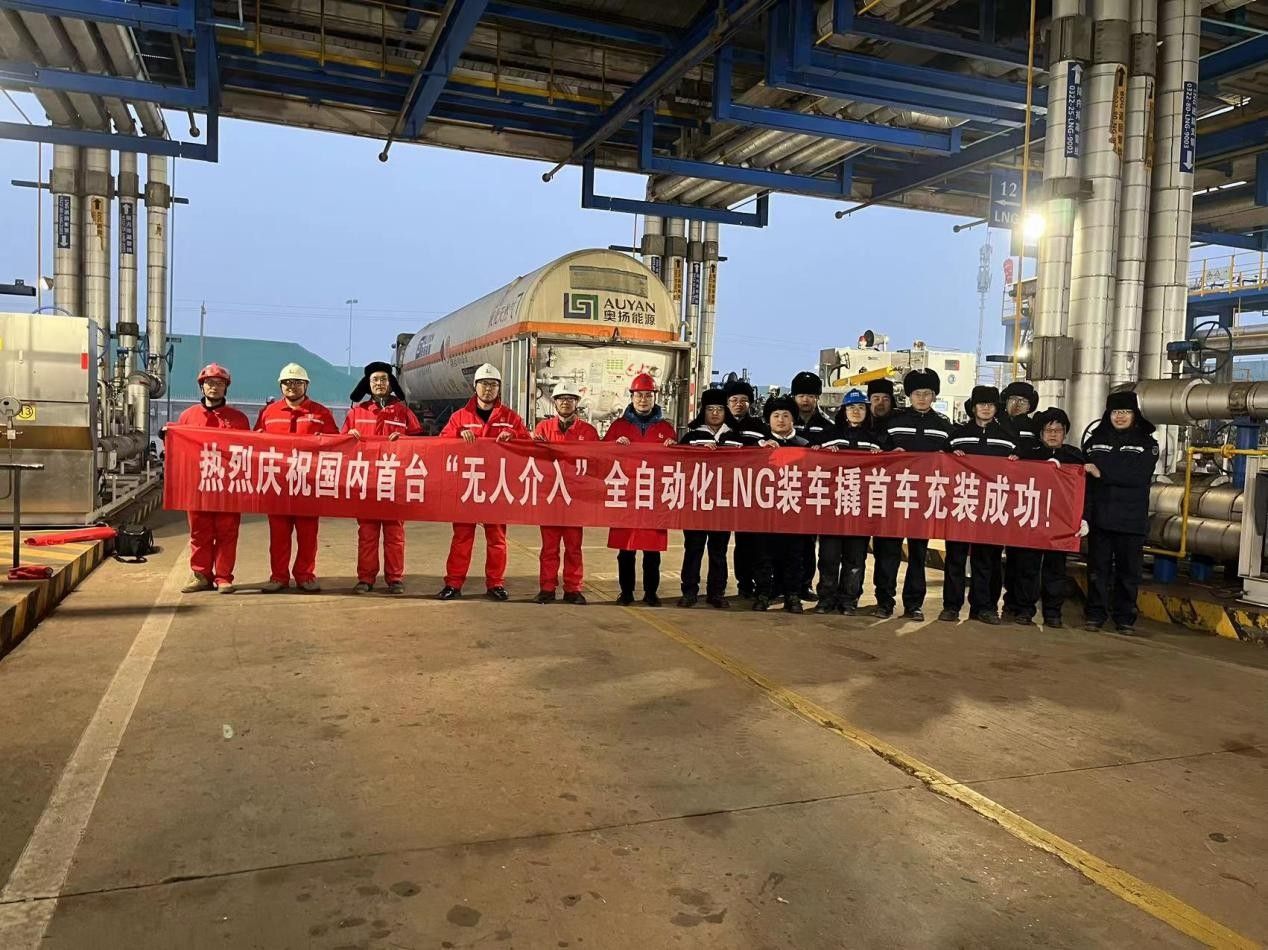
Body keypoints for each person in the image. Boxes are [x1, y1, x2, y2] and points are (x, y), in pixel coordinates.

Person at [437, 363, 529, 601]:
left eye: (493, 385)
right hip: (468, 486)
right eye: (484, 384)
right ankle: (453, 583)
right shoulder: (459, 418)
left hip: (496, 487)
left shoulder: (510, 418)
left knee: (496, 539)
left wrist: (514, 436)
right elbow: (441, 444)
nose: (488, 389)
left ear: (499, 388)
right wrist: (458, 435)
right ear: (475, 386)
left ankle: (495, 584)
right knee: (462, 538)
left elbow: (528, 444)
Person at [873, 368, 952, 620]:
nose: (922, 398)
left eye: (927, 393)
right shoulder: (893, 422)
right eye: (917, 393)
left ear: (934, 396)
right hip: (894, 498)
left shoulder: (944, 426)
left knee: (918, 554)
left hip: (924, 500)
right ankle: (884, 602)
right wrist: (889, 453)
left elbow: (953, 460)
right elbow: (877, 452)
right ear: (909, 395)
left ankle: (913, 604)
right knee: (888, 552)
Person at [255, 363, 339, 592]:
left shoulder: (321, 413)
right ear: (280, 386)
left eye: (297, 382)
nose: (291, 386)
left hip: (308, 485)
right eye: (286, 383)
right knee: (279, 535)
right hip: (278, 484)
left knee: (308, 535)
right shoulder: (268, 413)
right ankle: (278, 577)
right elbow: (254, 443)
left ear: (306, 385)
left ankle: (305, 575)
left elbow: (335, 444)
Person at [940, 386, 1020, 625]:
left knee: (987, 560)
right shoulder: (957, 436)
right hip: (961, 506)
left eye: (990, 404)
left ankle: (984, 607)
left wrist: (1016, 462)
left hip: (991, 508)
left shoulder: (1007, 439)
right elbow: (940, 465)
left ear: (996, 408)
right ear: (973, 408)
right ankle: (951, 606)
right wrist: (950, 456)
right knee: (955, 558)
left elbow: (1020, 472)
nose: (986, 408)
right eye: (981, 404)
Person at [343, 361, 422, 594]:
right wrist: (349, 436)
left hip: (394, 482)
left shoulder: (403, 413)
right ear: (368, 384)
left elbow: (421, 444)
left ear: (391, 383)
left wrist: (406, 440)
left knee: (394, 534)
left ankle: (395, 578)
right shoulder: (356, 413)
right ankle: (365, 579)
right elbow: (340, 445)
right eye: (375, 380)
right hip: (366, 483)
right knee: (367, 534)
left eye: (384, 379)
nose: (379, 383)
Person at [1083, 391, 1158, 635]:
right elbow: (1083, 477)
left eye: (1126, 412)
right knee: (1097, 571)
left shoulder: (1147, 444)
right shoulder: (1094, 441)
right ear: (1108, 414)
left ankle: (1125, 618)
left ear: (1135, 414)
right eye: (1116, 412)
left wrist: (1101, 473)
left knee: (1128, 573)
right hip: (1100, 518)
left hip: (1131, 520)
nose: (1120, 416)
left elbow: (1138, 476)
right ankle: (1095, 615)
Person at [173, 364, 251, 594]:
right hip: (197, 486)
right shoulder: (187, 417)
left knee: (227, 532)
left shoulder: (239, 419)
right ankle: (200, 575)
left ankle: (223, 577)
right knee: (199, 532)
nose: (214, 387)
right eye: (209, 383)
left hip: (228, 487)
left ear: (226, 387)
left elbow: (249, 451)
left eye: (219, 383)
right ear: (202, 386)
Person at [605, 374, 678, 605]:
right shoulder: (618, 427)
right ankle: (626, 592)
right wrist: (614, 446)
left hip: (653, 498)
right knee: (626, 550)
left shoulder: (666, 429)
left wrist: (673, 448)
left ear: (655, 397)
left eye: (648, 395)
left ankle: (651, 593)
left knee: (652, 551)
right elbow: (601, 456)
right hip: (626, 496)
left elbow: (676, 463)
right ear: (632, 397)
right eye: (639, 395)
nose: (643, 400)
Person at [815, 388, 889, 615]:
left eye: (860, 407)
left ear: (867, 411)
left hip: (860, 509)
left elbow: (889, 468)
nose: (856, 411)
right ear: (843, 411)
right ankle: (826, 599)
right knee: (828, 557)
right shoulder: (829, 435)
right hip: (833, 509)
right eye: (851, 407)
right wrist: (821, 452)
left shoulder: (876, 440)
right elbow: (811, 460)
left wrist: (882, 458)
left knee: (855, 559)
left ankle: (849, 600)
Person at [1018, 407, 1087, 628]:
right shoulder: (1028, 455)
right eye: (1049, 430)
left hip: (1061, 525)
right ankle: (1025, 610)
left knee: (1056, 569)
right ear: (1041, 433)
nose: (1053, 434)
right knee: (1028, 567)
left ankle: (1053, 613)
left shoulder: (1076, 457)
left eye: (1058, 430)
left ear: (1065, 433)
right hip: (1032, 520)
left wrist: (1083, 518)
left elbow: (1085, 491)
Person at [532, 381, 599, 604]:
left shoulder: (588, 432)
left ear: (576, 402)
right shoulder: (542, 429)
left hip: (575, 500)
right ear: (555, 402)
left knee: (573, 547)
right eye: (561, 399)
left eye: (570, 399)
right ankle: (547, 588)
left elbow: (598, 463)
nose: (565, 402)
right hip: (550, 497)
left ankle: (573, 589)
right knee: (549, 547)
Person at [753, 395, 810, 612]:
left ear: (793, 419)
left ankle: (792, 596)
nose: (781, 420)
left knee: (794, 556)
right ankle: (763, 594)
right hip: (765, 511)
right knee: (763, 555)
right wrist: (760, 448)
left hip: (795, 510)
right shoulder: (758, 445)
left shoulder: (805, 445)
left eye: (786, 415)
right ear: (768, 420)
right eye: (776, 415)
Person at [677, 388, 732, 608]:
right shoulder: (691, 437)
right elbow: (678, 464)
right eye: (710, 409)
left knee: (719, 552)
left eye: (720, 409)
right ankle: (689, 591)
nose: (715, 413)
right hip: (695, 503)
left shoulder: (734, 437)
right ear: (703, 411)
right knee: (693, 549)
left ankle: (717, 592)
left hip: (723, 504)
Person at [998, 380, 1041, 619]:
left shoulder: (1035, 428)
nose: (1017, 405)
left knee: (1024, 557)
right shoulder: (995, 424)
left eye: (1023, 401)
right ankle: (995, 603)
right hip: (996, 498)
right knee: (993, 556)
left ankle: (1022, 606)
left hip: (1025, 499)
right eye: (1012, 400)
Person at [791, 371, 832, 602]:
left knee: (808, 543)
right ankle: (781, 584)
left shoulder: (828, 426)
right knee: (782, 541)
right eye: (801, 395)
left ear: (817, 398)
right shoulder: (785, 420)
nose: (805, 400)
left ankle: (804, 584)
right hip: (786, 490)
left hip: (813, 492)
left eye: (810, 396)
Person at [724, 378, 765, 599]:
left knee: (750, 541)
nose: (738, 404)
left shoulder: (759, 428)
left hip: (751, 494)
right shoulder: (719, 426)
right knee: (720, 545)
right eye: (734, 400)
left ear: (750, 403)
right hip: (723, 493)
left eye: (743, 400)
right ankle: (739, 583)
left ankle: (753, 583)